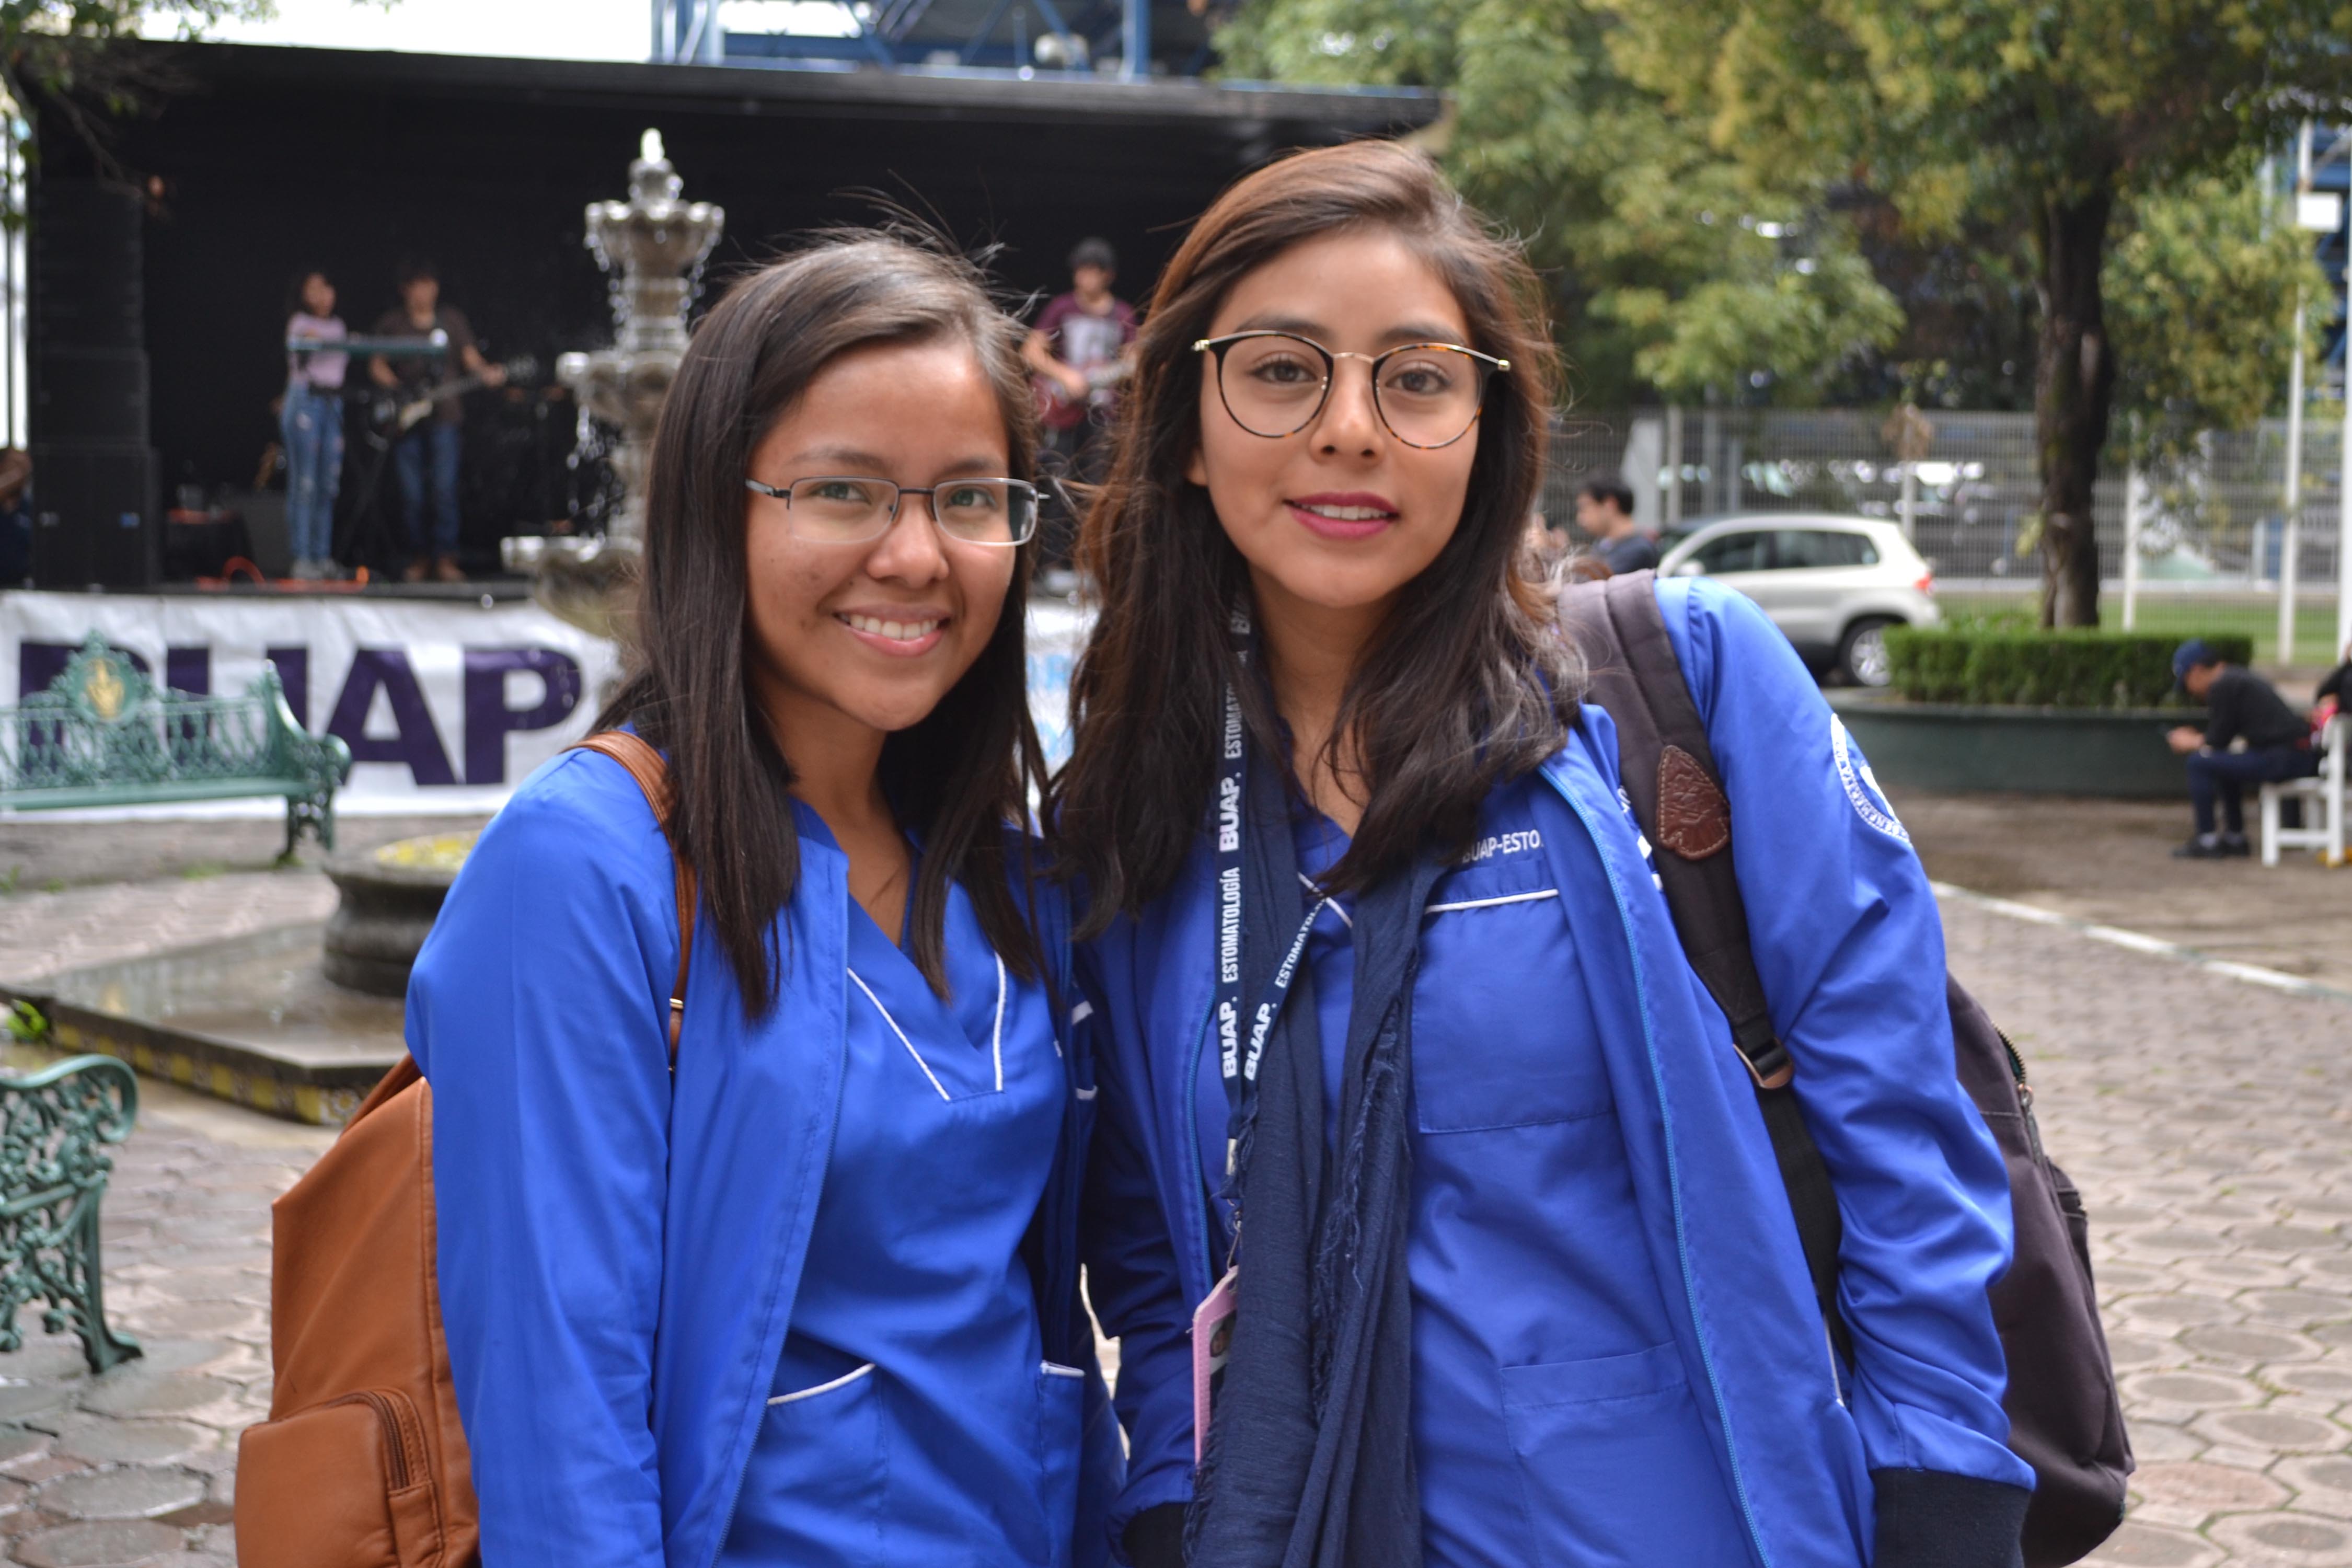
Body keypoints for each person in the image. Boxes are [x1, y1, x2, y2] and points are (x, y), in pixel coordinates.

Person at [1055, 141, 2031, 1568]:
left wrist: (1943, 1494)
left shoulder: (1677, 686)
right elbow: (1149, 1251)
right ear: (1186, 427)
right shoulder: (1136, 818)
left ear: (1486, 426)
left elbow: (1896, 1121)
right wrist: (1162, 1511)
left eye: (1416, 378)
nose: (1349, 430)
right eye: (1279, 371)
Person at [408, 235, 1121, 1566]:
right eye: (843, 491)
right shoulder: (588, 867)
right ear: (714, 510)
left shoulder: (1007, 869)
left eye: (971, 498)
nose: (918, 556)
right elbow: (562, 1423)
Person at [369, 259, 505, 584]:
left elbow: (470, 358)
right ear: (406, 289)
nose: (426, 292)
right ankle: (418, 557)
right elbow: (377, 364)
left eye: (431, 284)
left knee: (444, 490)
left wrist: (487, 373)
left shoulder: (451, 321)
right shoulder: (393, 323)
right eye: (419, 285)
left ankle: (446, 557)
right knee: (412, 493)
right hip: (407, 419)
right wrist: (400, 392)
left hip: (445, 417)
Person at [1022, 237, 1136, 583]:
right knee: (1057, 483)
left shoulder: (1122, 315)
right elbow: (1030, 352)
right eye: (1080, 271)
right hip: (1062, 411)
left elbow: (1134, 360)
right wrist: (1065, 376)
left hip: (1102, 414)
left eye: (1091, 272)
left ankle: (1088, 567)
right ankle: (1054, 567)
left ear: (1107, 276)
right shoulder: (1062, 308)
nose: (1083, 279)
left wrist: (1121, 369)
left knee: (1097, 488)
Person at [2166, 637, 2321, 858]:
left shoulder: (2224, 684)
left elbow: (2216, 741)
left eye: (2187, 682)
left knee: (2199, 763)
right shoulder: (2237, 677)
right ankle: (2235, 837)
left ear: (2197, 671)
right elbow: (2224, 741)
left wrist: (2189, 741)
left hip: (2283, 758)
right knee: (2223, 762)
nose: (2190, 690)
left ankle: (2207, 840)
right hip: (2297, 755)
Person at [282, 270, 348, 580]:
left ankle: (322, 556)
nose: (323, 295)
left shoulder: (338, 325)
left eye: (327, 287)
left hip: (332, 403)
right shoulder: (299, 323)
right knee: (305, 483)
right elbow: (306, 343)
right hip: (306, 400)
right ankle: (302, 557)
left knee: (328, 484)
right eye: (315, 289)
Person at [1576, 470, 1657, 574]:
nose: (1580, 519)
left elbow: (1594, 579)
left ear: (1610, 505)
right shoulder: (1604, 545)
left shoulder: (1639, 550)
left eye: (1584, 508)